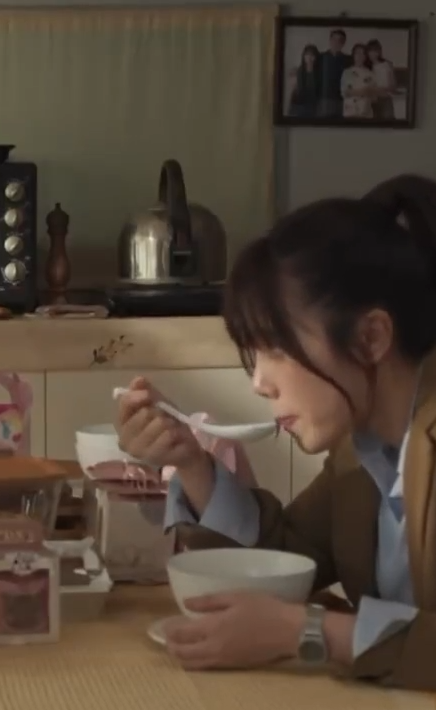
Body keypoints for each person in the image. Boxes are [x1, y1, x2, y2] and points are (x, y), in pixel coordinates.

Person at [114, 174, 436, 690]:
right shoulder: (362, 449)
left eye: (276, 349)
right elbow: (287, 555)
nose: (259, 382)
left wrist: (311, 632)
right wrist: (190, 462)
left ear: (371, 337)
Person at [317, 28, 351, 117]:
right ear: (330, 40)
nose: (336, 42)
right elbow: (307, 67)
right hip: (324, 100)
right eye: (334, 39)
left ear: (343, 43)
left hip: (342, 100)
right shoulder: (320, 57)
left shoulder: (348, 60)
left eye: (340, 40)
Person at [341, 43, 375, 119]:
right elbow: (344, 92)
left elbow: (373, 96)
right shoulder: (347, 72)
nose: (360, 56)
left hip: (365, 112)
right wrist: (362, 91)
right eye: (357, 53)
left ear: (365, 57)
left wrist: (360, 92)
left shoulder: (370, 74)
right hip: (350, 112)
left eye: (362, 54)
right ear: (353, 55)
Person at [287, 44, 321, 118]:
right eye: (307, 55)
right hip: (298, 105)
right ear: (304, 56)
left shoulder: (319, 72)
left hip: (313, 106)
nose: (309, 58)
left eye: (312, 55)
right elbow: (294, 90)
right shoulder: (298, 71)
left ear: (316, 57)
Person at [367, 39, 397, 120]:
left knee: (388, 122)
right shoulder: (367, 67)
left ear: (379, 51)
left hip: (386, 99)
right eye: (370, 51)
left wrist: (383, 89)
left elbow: (393, 85)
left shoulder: (387, 64)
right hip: (372, 101)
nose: (373, 54)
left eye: (375, 50)